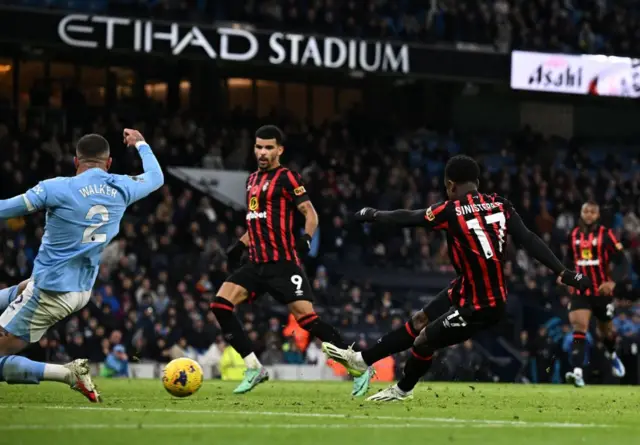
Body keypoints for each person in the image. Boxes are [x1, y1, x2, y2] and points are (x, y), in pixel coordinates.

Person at [322, 155, 591, 401]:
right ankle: (362, 361)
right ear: (476, 182)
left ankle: (403, 389)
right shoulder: (500, 204)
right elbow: (529, 240)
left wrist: (373, 214)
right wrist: (563, 272)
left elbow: (409, 217)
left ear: (450, 185)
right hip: (472, 288)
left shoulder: (450, 210)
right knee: (419, 320)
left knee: (424, 339)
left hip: (481, 304)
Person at [0, 129, 164, 402]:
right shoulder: (121, 186)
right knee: (21, 289)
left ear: (76, 161)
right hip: (81, 291)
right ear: (108, 163)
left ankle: (67, 373)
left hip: (49, 292)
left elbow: (5, 209)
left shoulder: (55, 188)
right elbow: (156, 177)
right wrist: (141, 144)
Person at [211, 125, 372, 395]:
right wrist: (239, 245)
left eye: (268, 148)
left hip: (283, 264)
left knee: (307, 320)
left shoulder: (287, 178)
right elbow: (257, 221)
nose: (262, 152)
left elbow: (310, 213)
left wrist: (306, 238)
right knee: (220, 305)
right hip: (255, 263)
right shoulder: (251, 180)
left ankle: (358, 367)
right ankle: (254, 368)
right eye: (259, 147)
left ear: (279, 150)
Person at [563, 201, 629, 387]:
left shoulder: (606, 235)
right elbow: (568, 260)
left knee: (606, 332)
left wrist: (612, 281)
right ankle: (577, 372)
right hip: (581, 291)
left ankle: (612, 354)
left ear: (598, 215)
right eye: (586, 211)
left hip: (601, 291)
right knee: (579, 327)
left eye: (593, 211)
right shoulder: (573, 235)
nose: (589, 214)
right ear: (581, 213)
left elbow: (623, 262)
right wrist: (565, 276)